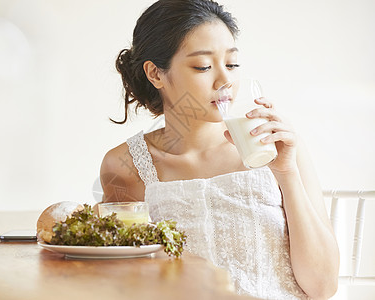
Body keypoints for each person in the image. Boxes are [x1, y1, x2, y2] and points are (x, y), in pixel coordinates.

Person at [100, 0, 339, 299]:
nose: (225, 80)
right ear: (156, 74)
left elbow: (323, 287)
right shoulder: (126, 165)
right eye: (203, 66)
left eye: (232, 64)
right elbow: (121, 280)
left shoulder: (280, 146)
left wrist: (286, 173)